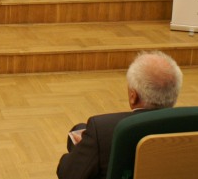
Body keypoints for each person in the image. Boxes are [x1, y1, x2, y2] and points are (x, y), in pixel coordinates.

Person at [56, 50, 183, 179]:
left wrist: (82, 148)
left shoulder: (103, 130)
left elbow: (67, 174)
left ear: (133, 96)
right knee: (80, 128)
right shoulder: (192, 126)